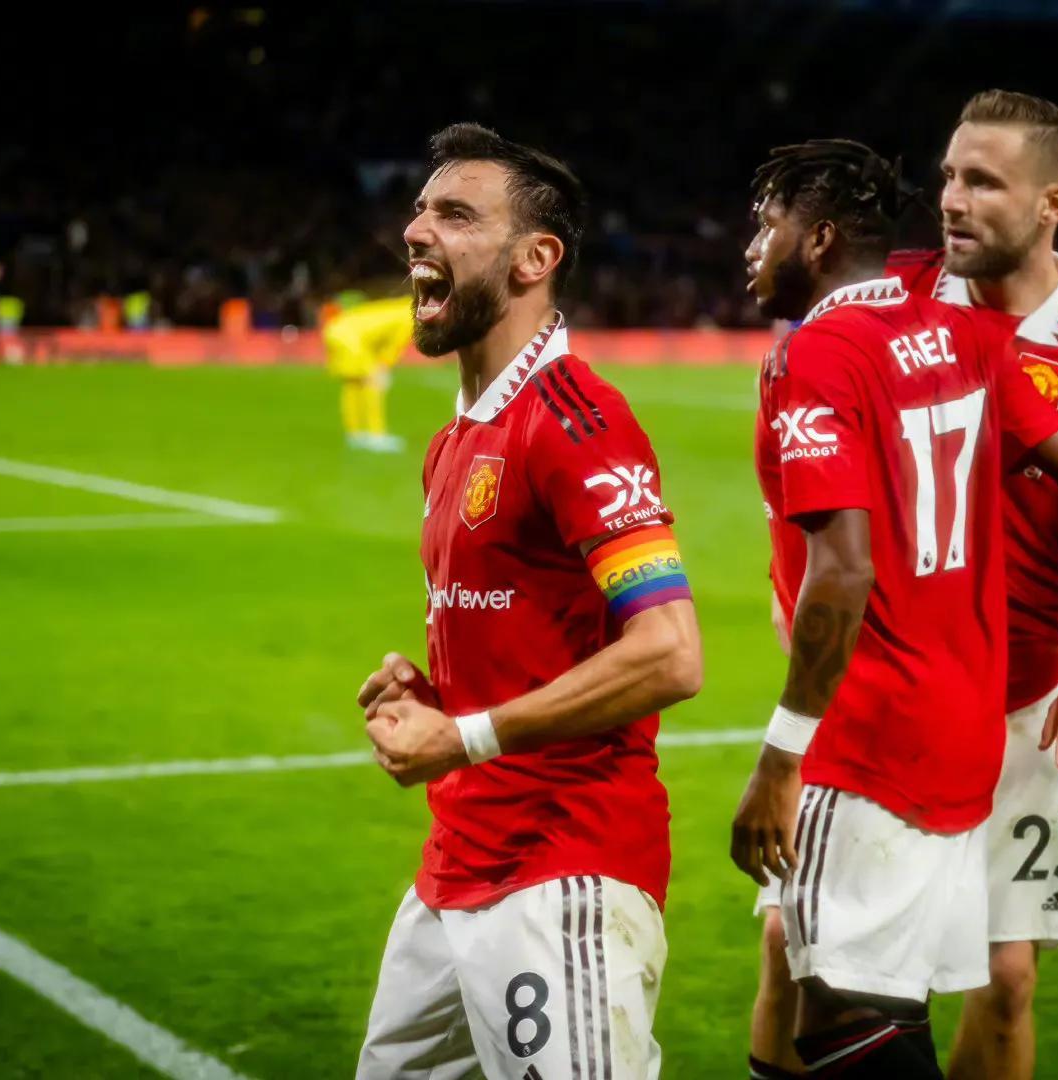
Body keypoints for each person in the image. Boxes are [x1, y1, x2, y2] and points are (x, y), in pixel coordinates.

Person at [731, 139, 1058, 1079]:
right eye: (948, 177)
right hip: (964, 722)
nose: (750, 248)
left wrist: (781, 753)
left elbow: (844, 571)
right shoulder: (973, 340)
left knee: (852, 1003)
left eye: (766, 226)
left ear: (818, 240)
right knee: (857, 982)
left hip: (876, 724)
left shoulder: (819, 353)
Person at [354, 123, 702, 1080]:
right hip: (457, 867)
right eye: (419, 210)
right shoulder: (457, 439)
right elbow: (528, 635)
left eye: (456, 214)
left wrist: (463, 736)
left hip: (562, 874)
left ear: (533, 260)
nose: (416, 230)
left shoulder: (575, 423)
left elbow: (671, 653)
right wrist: (436, 696)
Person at [324, 292, 413, 452]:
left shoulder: (398, 306)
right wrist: (384, 366)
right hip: (352, 339)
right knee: (374, 384)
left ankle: (354, 434)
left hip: (336, 329)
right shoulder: (409, 316)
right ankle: (376, 435)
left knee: (353, 385)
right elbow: (394, 345)